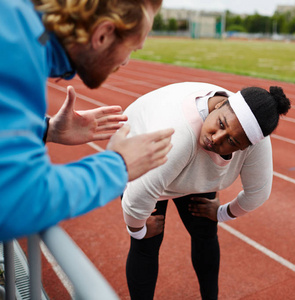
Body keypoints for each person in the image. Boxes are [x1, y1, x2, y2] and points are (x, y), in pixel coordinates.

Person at [0, 0, 174, 241]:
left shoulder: (20, 24)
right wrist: (118, 165)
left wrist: (46, 129)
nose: (125, 62)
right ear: (102, 34)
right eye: (132, 48)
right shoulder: (17, 42)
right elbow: (16, 201)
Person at [122, 82, 291, 299]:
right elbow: (137, 196)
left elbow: (257, 194)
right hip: (140, 150)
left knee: (205, 231)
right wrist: (137, 229)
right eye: (221, 124)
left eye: (231, 141)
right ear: (219, 104)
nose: (216, 138)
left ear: (244, 148)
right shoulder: (174, 134)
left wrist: (221, 213)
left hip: (187, 164)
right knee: (146, 243)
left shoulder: (255, 139)